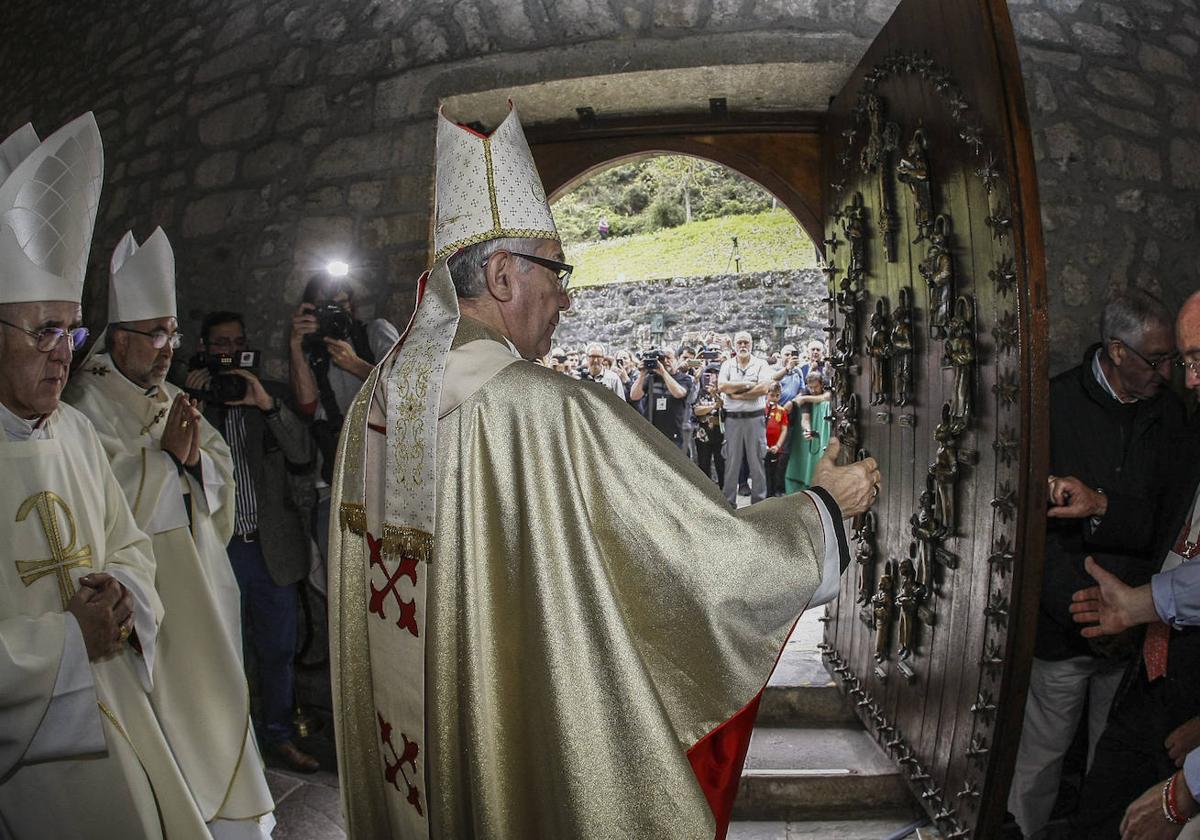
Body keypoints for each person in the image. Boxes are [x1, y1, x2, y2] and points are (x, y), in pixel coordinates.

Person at [326, 103, 881, 839]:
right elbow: (701, 565)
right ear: (499, 275)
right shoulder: (539, 408)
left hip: (416, 756)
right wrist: (820, 512)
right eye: (558, 272)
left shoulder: (374, 401)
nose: (568, 296)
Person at [0, 112, 213, 839]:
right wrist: (66, 642)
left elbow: (129, 543)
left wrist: (124, 597)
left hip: (120, 712)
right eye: (43, 330)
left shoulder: (76, 434)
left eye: (73, 328)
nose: (63, 352)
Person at [65, 228, 276, 833]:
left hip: (201, 583)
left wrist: (188, 460)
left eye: (173, 334)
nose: (167, 349)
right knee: (170, 717)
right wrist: (165, 461)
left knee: (216, 698)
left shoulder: (171, 395)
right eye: (156, 334)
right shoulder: (83, 403)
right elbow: (94, 499)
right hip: (148, 597)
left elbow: (222, 478)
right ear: (118, 338)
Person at [1005, 290, 1185, 840]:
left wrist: (1135, 602)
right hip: (1067, 620)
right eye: (1157, 360)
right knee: (1038, 759)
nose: (1168, 373)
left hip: (1141, 622)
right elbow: (1030, 522)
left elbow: (1172, 520)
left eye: (1173, 359)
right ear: (1116, 351)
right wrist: (1075, 604)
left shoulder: (1173, 414)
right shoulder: (1053, 405)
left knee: (1117, 760)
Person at [1066, 290, 1200, 840]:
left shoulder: (1171, 417)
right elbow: (1165, 522)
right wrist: (1099, 506)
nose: (1187, 379)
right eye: (1180, 361)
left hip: (1188, 685)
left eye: (1193, 360)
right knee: (1101, 811)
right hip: (1155, 666)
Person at [191, 311, 320, 774]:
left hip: (270, 549)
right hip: (218, 548)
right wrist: (193, 401)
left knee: (278, 651)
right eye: (219, 342)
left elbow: (303, 455)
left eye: (236, 341)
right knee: (224, 650)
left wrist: (265, 404)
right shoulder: (189, 400)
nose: (228, 350)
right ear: (203, 346)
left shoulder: (267, 395)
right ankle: (232, 743)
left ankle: (279, 737)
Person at [289, 274, 398, 584]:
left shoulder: (374, 332)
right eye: (323, 308)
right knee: (342, 589)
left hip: (382, 485)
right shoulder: (311, 352)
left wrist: (356, 365)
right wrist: (295, 347)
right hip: (335, 487)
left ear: (352, 306)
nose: (332, 314)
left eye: (340, 305)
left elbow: (404, 390)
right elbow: (307, 406)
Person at [717, 331, 774, 504]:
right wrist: (748, 385)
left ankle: (759, 503)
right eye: (740, 342)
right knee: (731, 463)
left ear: (751, 344)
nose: (743, 346)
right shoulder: (727, 365)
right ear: (734, 345)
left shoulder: (761, 364)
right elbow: (722, 386)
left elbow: (764, 389)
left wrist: (737, 395)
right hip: (732, 420)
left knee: (757, 461)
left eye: (746, 342)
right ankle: (729, 503)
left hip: (755, 420)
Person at [629, 346, 694, 449]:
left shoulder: (684, 379)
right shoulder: (650, 378)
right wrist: (642, 374)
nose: (666, 361)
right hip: (652, 434)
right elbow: (634, 396)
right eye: (662, 359)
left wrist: (663, 372)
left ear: (676, 360)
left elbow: (679, 393)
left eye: (669, 358)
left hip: (675, 435)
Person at [785, 370, 833, 494]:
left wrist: (805, 398)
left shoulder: (826, 384)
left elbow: (827, 397)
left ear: (822, 384)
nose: (812, 390)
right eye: (809, 387)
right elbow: (805, 418)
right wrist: (807, 430)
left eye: (815, 387)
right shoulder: (805, 390)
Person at [764, 382, 790, 497]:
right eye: (772, 395)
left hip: (775, 448)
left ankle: (774, 495)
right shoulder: (761, 409)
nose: (774, 398)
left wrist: (778, 445)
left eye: (777, 395)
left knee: (775, 472)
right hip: (763, 447)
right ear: (767, 394)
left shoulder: (782, 411)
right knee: (764, 473)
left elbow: (784, 429)